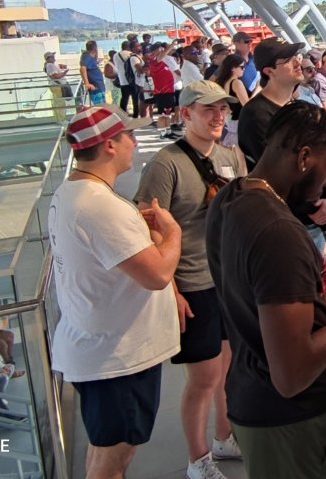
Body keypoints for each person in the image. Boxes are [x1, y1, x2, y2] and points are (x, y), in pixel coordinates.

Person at [206, 102, 326, 479]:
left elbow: (258, 286)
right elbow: (292, 374)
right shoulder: (278, 231)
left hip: (254, 399)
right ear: (303, 157)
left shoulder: (232, 196)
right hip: (296, 421)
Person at [48, 105, 182, 479]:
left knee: (103, 449)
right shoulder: (101, 206)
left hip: (100, 352)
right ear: (110, 145)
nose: (134, 143)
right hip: (117, 359)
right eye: (129, 136)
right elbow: (157, 274)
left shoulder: (71, 193)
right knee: (112, 460)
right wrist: (172, 232)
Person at [135, 81, 247, 479]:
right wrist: (172, 290)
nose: (219, 117)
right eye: (208, 109)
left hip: (225, 281)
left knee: (228, 368)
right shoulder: (165, 164)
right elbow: (147, 229)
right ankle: (198, 459)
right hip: (192, 284)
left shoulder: (230, 156)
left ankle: (224, 436)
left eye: (223, 109)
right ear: (186, 114)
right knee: (203, 377)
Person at [238, 37, 306, 169]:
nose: (298, 63)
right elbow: (279, 167)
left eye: (296, 56)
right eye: (288, 60)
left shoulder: (295, 105)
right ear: (269, 71)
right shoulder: (255, 115)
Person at [212, 54, 251, 150]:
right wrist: (258, 89)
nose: (244, 69)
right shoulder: (236, 83)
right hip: (239, 123)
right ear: (233, 68)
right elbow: (248, 105)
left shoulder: (222, 82)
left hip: (229, 122)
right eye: (242, 67)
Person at [116, 40, 144, 118]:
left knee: (124, 99)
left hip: (123, 80)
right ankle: (135, 116)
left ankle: (122, 115)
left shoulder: (116, 55)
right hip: (133, 80)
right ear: (130, 47)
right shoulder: (133, 56)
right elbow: (140, 69)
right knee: (135, 99)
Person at [45, 51, 71, 122]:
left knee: (57, 102)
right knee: (60, 103)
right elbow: (55, 76)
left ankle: (59, 119)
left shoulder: (49, 65)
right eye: (52, 56)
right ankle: (62, 119)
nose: (54, 57)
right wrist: (64, 73)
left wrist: (61, 67)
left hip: (55, 86)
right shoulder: (50, 66)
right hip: (57, 86)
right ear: (49, 58)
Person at [80, 41, 108, 106]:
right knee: (100, 107)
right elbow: (82, 68)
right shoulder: (86, 56)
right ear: (95, 48)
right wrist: (87, 83)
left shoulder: (90, 57)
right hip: (95, 86)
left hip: (99, 86)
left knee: (102, 105)